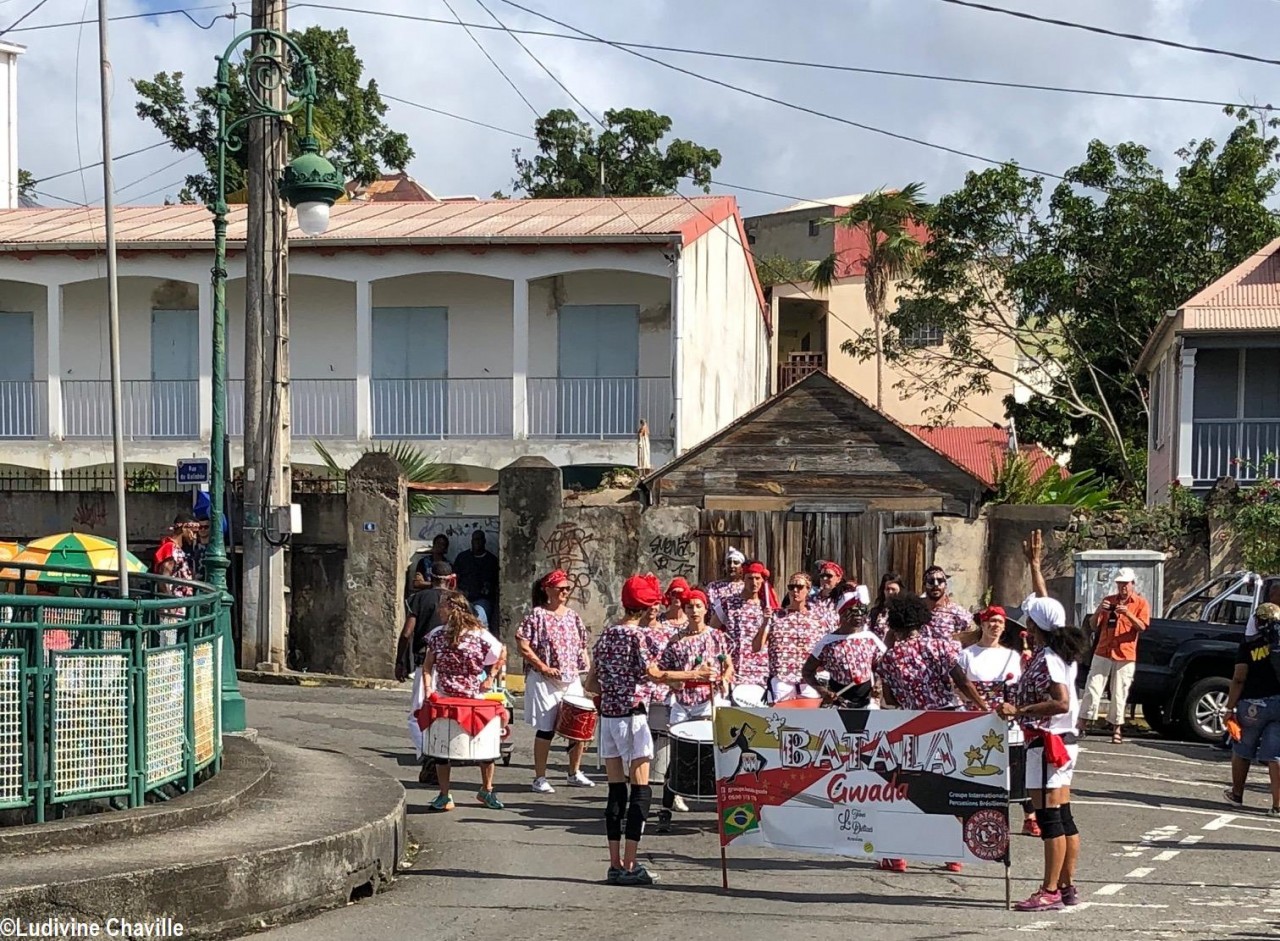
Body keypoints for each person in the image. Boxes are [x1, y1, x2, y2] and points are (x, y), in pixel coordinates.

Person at [584, 573, 713, 886]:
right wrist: (694, 674)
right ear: (644, 607)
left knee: (616, 791)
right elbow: (654, 673)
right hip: (633, 715)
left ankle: (614, 863)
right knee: (641, 791)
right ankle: (630, 864)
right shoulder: (638, 636)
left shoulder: (607, 634)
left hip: (609, 718)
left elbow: (591, 683)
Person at [998, 528, 1091, 912]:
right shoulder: (1056, 645)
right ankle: (1066, 887)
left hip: (1049, 742)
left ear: (1034, 627)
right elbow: (1045, 604)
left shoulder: (1049, 657)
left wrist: (1019, 711)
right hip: (1057, 742)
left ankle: (1050, 890)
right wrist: (1035, 565)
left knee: (1051, 819)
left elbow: (1061, 702)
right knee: (1063, 816)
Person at [875, 593, 987, 875]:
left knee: (909, 792)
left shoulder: (888, 659)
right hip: (950, 720)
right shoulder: (940, 646)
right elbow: (962, 681)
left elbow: (890, 699)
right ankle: (953, 853)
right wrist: (984, 708)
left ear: (895, 625)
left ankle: (897, 855)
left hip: (916, 725)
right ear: (922, 620)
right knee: (950, 787)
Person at [420, 593, 508, 812]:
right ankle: (444, 795)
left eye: (442, 606)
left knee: (485, 748)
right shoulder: (437, 634)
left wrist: (490, 677)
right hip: (444, 697)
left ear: (452, 608)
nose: (438, 610)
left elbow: (502, 651)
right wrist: (429, 688)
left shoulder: (479, 634)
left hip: (474, 698)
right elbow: (428, 665)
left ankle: (487, 790)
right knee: (442, 750)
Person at [656, 588, 734, 832]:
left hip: (709, 700)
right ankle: (665, 809)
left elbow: (728, 664)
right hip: (682, 701)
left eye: (698, 606)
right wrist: (674, 682)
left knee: (714, 755)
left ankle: (722, 809)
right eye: (690, 606)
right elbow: (662, 671)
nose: (694, 611)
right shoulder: (675, 641)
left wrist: (725, 678)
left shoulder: (717, 637)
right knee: (677, 755)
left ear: (705, 609)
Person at [959, 605, 1039, 836]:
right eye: (991, 621)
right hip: (975, 718)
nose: (995, 626)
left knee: (1015, 765)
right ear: (982, 624)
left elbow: (1018, 688)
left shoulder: (1011, 656)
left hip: (1005, 717)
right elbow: (958, 687)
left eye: (1000, 622)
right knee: (976, 766)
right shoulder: (967, 654)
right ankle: (971, 814)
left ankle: (1029, 816)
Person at [514, 570, 594, 793]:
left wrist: (586, 669)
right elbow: (522, 645)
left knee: (578, 724)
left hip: (570, 677)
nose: (565, 592)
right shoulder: (537, 615)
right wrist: (543, 667)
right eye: (561, 588)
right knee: (546, 728)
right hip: (544, 679)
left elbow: (582, 645)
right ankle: (539, 777)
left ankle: (574, 771)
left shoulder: (572, 616)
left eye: (567, 588)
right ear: (548, 589)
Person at [396, 561, 457, 783]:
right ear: (451, 579)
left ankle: (428, 752)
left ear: (431, 578)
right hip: (452, 666)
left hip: (426, 665)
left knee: (417, 714)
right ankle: (441, 755)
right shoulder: (458, 600)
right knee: (446, 714)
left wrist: (400, 661)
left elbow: (407, 633)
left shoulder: (420, 599)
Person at [1078, 568, 1151, 744]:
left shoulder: (1141, 603)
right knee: (1092, 687)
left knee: (1120, 692)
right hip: (1103, 650)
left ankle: (1116, 728)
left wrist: (1127, 613)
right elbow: (1093, 626)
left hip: (1125, 654)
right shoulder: (1109, 600)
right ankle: (1082, 724)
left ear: (1132, 584)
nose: (1122, 587)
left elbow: (1142, 627)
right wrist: (1099, 611)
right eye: (1119, 584)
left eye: (1125, 584)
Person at [1223, 602, 1280, 816]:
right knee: (1275, 755)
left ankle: (1237, 794)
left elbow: (1239, 678)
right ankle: (1277, 805)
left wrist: (1229, 708)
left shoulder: (1249, 644)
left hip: (1253, 704)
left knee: (1242, 748)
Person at [802, 585, 886, 708]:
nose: (859, 615)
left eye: (862, 611)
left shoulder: (870, 639)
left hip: (867, 702)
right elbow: (807, 672)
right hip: (838, 702)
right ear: (841, 613)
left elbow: (883, 667)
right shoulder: (828, 642)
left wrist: (878, 684)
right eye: (853, 611)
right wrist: (823, 691)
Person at [757, 572, 827, 702]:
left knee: (811, 713)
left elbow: (826, 647)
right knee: (780, 713)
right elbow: (756, 647)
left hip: (808, 679)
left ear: (808, 589)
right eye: (791, 587)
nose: (795, 590)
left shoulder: (819, 618)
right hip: (782, 678)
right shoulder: (776, 616)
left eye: (799, 587)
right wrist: (765, 623)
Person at [715, 561, 775, 691]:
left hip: (760, 668)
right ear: (743, 578)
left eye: (757, 578)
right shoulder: (727, 603)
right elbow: (713, 632)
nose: (754, 582)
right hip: (733, 665)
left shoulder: (767, 607)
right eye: (750, 578)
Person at [453, 531, 500, 634]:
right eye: (475, 539)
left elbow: (496, 584)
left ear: (484, 541)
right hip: (463, 598)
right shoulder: (463, 557)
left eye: (480, 539)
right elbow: (455, 578)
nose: (477, 542)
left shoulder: (491, 560)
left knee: (478, 621)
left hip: (483, 600)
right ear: (471, 541)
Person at [922, 565, 980, 645]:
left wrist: (958, 638)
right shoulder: (915, 610)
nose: (936, 584)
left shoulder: (956, 612)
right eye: (931, 581)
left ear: (945, 585)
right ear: (924, 585)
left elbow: (974, 632)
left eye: (940, 581)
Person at [153, 513, 198, 594]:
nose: (195, 537)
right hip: (175, 600)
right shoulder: (170, 548)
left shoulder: (179, 549)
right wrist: (170, 600)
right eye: (193, 532)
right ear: (184, 528)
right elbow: (163, 581)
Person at [706, 547, 746, 625]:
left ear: (742, 567)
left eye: (736, 562)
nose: (732, 565)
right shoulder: (713, 587)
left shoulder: (746, 587)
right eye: (729, 562)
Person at [869, 572, 904, 639]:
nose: (890, 592)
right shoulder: (875, 613)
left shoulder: (908, 612)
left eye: (893, 589)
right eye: (887, 589)